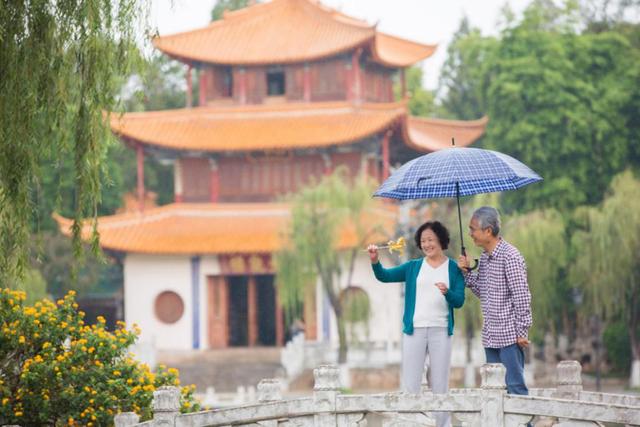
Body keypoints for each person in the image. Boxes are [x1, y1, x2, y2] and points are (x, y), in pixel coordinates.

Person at [368, 221, 465, 427]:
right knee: (411, 383)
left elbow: (459, 301)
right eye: (423, 241)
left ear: (441, 240)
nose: (426, 244)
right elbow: (384, 276)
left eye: (430, 239)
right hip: (415, 331)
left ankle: (443, 425)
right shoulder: (413, 267)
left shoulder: (454, 268)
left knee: (440, 384)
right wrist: (375, 261)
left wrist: (447, 292)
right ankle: (410, 422)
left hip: (441, 330)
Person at [457, 206, 533, 396]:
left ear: (488, 231)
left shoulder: (510, 256)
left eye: (473, 229)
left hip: (510, 337)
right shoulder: (485, 258)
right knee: (495, 391)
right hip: (491, 337)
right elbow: (483, 291)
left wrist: (522, 332)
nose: (470, 234)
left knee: (515, 388)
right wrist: (466, 272)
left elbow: (522, 296)